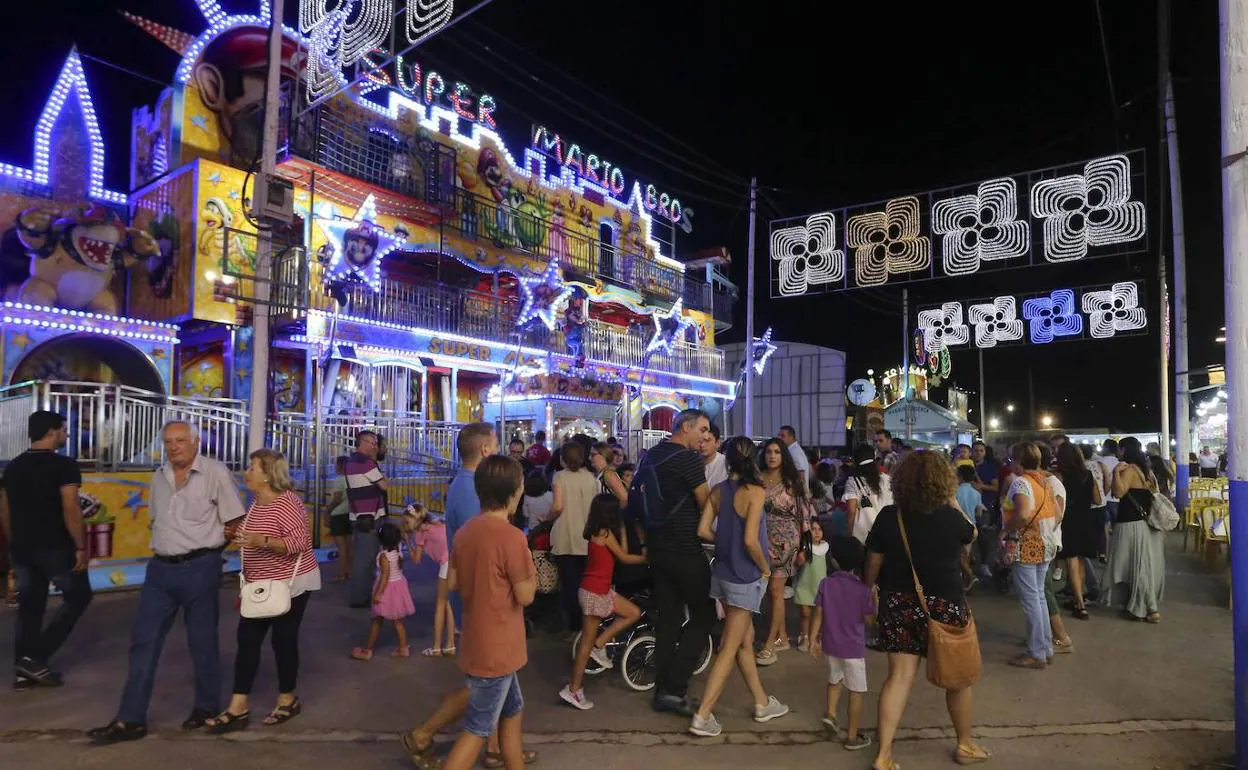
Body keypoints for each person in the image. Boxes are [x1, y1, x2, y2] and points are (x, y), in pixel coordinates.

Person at [88, 421, 247, 743]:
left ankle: (205, 707)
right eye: (168, 442)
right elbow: (156, 520)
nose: (174, 447)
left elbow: (235, 521)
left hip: (201, 566)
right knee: (142, 642)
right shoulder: (158, 477)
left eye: (180, 441)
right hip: (160, 570)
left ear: (195, 442)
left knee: (202, 642)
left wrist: (217, 556)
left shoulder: (215, 473)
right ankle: (130, 720)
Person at [864, 451, 989, 769]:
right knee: (958, 680)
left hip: (899, 603)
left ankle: (884, 755)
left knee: (899, 678)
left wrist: (871, 590)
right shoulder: (950, 517)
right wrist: (951, 499)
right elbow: (971, 533)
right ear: (944, 482)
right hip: (946, 606)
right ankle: (965, 745)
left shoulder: (890, 516)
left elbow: (872, 567)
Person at [207, 449, 320, 732]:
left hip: (290, 585)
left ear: (268, 474)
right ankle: (238, 706)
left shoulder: (288, 502)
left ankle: (287, 699)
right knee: (247, 640)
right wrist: (238, 536)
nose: (246, 472)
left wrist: (261, 540)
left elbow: (300, 543)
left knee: (283, 640)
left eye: (252, 467)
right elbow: (252, 537)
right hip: (259, 585)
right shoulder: (257, 503)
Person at [440, 455, 536, 770]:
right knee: (477, 730)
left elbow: (453, 581)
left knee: (513, 710)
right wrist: (531, 569)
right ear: (515, 492)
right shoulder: (513, 537)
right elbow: (526, 595)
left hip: (476, 641)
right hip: (499, 649)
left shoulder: (466, 532)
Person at [690, 436, 789, 737]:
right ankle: (702, 715)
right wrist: (764, 568)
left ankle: (762, 702)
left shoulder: (719, 490)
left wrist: (725, 543)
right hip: (745, 576)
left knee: (744, 641)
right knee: (729, 647)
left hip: (721, 573)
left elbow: (702, 530)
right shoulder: (755, 492)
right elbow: (750, 540)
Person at [1, 410, 92, 690]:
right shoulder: (64, 466)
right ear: (52, 432)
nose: (65, 434)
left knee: (30, 607)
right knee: (78, 596)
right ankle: (34, 657)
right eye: (63, 430)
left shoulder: (13, 466)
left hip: (22, 547)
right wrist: (79, 546)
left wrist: (14, 540)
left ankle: (24, 671)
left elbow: (3, 508)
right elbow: (70, 507)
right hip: (55, 547)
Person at [642, 408, 713, 716]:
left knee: (669, 620)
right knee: (704, 616)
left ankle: (663, 692)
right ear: (685, 427)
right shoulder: (687, 459)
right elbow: (705, 502)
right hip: (686, 550)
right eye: (702, 429)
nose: (706, 436)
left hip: (658, 550)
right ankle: (676, 686)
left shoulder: (651, 456)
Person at [559, 494, 646, 710]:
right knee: (587, 644)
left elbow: (621, 552)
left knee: (633, 612)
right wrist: (647, 558)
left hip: (594, 589)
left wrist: (623, 529)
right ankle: (573, 689)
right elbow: (625, 558)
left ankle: (600, 645)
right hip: (596, 592)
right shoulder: (605, 534)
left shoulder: (596, 532)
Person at [811, 536, 876, 752]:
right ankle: (851, 736)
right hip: (853, 649)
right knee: (856, 690)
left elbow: (818, 614)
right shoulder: (862, 590)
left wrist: (813, 638)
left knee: (834, 680)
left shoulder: (826, 584)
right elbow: (869, 620)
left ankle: (830, 714)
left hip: (831, 645)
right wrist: (873, 600)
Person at [1005, 442, 1064, 669]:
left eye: (1012, 459)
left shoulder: (1021, 482)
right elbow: (1058, 514)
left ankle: (1036, 653)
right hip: (1046, 544)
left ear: (1019, 461)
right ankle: (1045, 648)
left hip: (1028, 546)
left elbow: (1022, 514)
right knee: (1039, 597)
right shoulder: (1045, 481)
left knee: (1031, 600)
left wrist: (1006, 529)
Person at [755, 438, 812, 666]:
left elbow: (805, 514)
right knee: (771, 593)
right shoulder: (758, 479)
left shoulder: (793, 483)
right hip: (761, 540)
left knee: (776, 591)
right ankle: (783, 637)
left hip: (787, 542)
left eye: (777, 452)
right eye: (769, 451)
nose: (772, 456)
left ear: (783, 456)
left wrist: (804, 548)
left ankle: (770, 643)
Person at [1104, 437, 1165, 623]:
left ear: (1124, 450)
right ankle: (1143, 605)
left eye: (1120, 449)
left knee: (1131, 567)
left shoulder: (1129, 470)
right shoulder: (1148, 472)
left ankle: (1145, 608)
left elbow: (1118, 492)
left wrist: (1115, 473)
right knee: (1141, 566)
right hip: (1145, 525)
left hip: (1129, 525)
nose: (1118, 453)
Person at [445, 423, 499, 624]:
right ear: (485, 450)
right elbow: (477, 547)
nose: (497, 449)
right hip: (473, 602)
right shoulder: (471, 489)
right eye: (495, 444)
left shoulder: (469, 482)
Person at [550, 442, 600, 637]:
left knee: (569, 585)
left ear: (563, 458)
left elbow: (557, 507)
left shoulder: (559, 477)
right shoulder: (590, 477)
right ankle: (587, 626)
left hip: (566, 536)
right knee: (585, 584)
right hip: (587, 537)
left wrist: (545, 520)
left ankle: (574, 628)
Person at [351, 522, 415, 660]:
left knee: (376, 620)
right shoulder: (398, 549)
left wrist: (378, 594)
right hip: (399, 587)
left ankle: (367, 651)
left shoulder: (383, 556)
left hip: (386, 590)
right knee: (398, 621)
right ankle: (403, 648)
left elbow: (384, 577)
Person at [1056, 443, 1101, 620]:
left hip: (1068, 522)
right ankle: (1078, 598)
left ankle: (1080, 605)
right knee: (1080, 562)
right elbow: (1097, 500)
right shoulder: (1087, 475)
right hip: (1086, 521)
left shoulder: (1059, 476)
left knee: (1071, 562)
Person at [403, 504, 455, 657]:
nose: (406, 525)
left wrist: (407, 541)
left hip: (446, 563)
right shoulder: (438, 523)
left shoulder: (420, 532)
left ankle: (437, 647)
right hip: (455, 560)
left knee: (440, 604)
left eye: (407, 522)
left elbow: (416, 560)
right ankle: (450, 644)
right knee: (449, 604)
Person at [346, 431, 388, 608]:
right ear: (363, 442)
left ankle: (363, 594)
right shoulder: (365, 462)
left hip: (359, 515)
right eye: (373, 443)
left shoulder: (352, 461)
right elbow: (384, 485)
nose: (375, 447)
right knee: (366, 558)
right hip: (369, 517)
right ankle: (360, 597)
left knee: (364, 556)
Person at [842, 443, 893, 545]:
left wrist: (848, 535)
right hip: (886, 531)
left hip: (862, 535)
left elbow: (851, 511)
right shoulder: (887, 479)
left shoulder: (853, 481)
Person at [792, 518, 829, 651]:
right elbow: (798, 564)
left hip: (820, 587)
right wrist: (800, 560)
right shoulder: (805, 548)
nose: (817, 532)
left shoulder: (826, 548)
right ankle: (805, 636)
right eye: (813, 529)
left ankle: (815, 636)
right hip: (805, 585)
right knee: (805, 613)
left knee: (818, 613)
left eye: (819, 529)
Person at [327, 455, 353, 583]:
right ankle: (349, 572)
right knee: (349, 546)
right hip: (349, 513)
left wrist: (328, 510)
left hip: (338, 515)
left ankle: (342, 573)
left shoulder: (339, 480)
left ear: (340, 465)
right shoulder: (352, 479)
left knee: (341, 547)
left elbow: (337, 498)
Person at [1098, 439, 1120, 559]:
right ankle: (1115, 555)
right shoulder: (1121, 462)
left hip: (1103, 499)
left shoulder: (1099, 462)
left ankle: (1105, 554)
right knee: (1117, 530)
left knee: (1105, 529)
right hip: (1117, 500)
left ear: (1106, 448)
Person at [590, 441, 628, 506]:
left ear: (603, 455)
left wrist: (611, 512)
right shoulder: (602, 473)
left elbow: (624, 498)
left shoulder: (609, 475)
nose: (589, 458)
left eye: (593, 455)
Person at [778, 425, 810, 491]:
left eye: (782, 436)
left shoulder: (794, 452)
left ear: (791, 437)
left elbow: (801, 475)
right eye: (778, 435)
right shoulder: (792, 450)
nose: (779, 438)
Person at [703, 423, 728, 490]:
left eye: (707, 441)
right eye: (700, 440)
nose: (702, 445)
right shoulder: (689, 464)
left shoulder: (727, 465)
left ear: (717, 443)